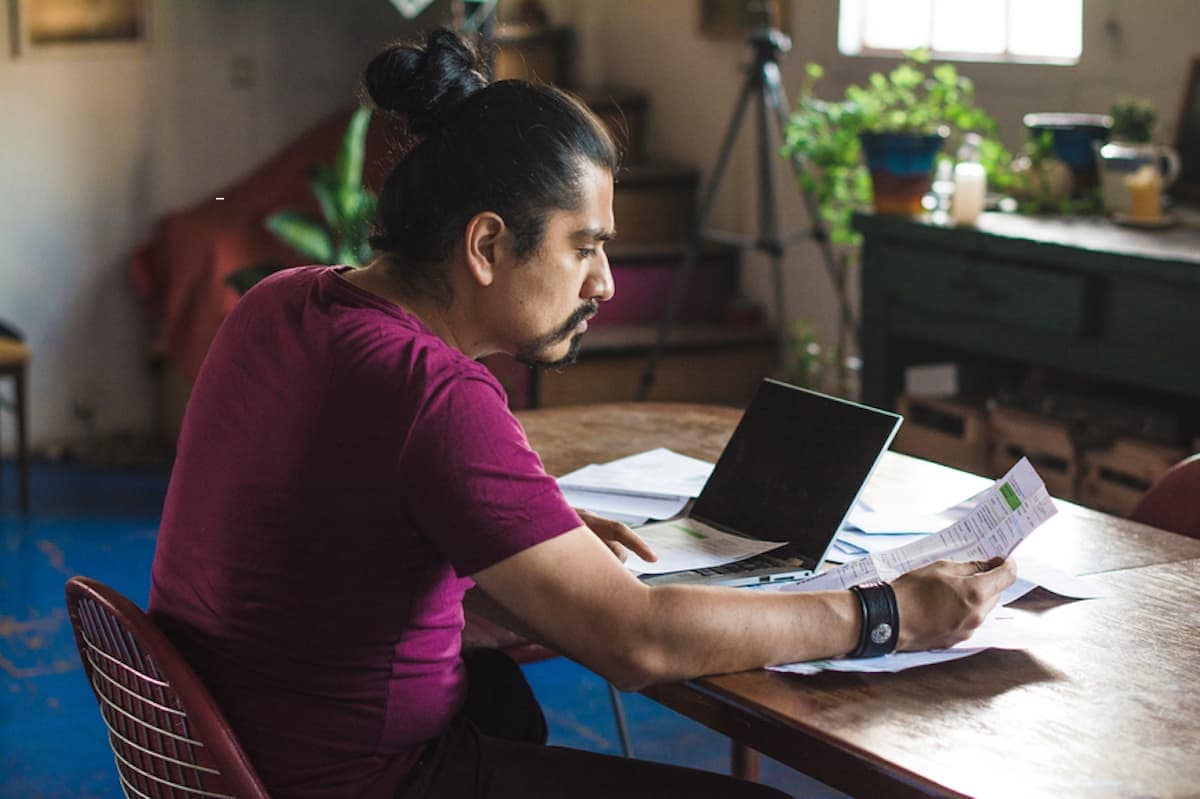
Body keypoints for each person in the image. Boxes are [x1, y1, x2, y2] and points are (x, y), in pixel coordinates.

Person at [148, 27, 1016, 799]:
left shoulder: (281, 302)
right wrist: (888, 611)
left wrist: (520, 536)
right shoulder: (433, 394)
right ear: (487, 245)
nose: (602, 282)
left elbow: (330, 527)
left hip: (233, 760)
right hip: (359, 779)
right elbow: (635, 640)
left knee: (506, 705)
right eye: (585, 246)